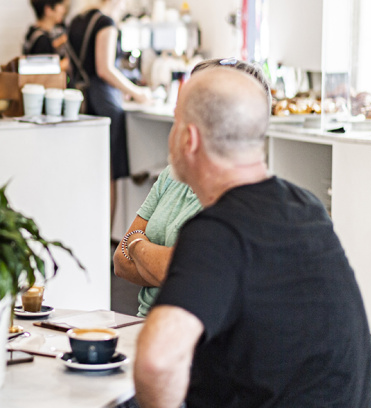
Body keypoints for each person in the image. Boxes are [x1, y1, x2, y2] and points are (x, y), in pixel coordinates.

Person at [132, 67, 371, 408]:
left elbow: (156, 362)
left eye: (175, 123)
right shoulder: (307, 207)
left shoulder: (218, 231)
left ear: (189, 139)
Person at [114, 58, 271, 317]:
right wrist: (160, 263)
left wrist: (137, 246)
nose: (174, 132)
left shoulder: (238, 196)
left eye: (181, 119)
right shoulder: (171, 175)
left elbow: (184, 272)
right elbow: (120, 263)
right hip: (145, 321)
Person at [66, 0, 151, 212]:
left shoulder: (76, 21)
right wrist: (137, 92)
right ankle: (106, 233)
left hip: (79, 100)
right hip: (102, 101)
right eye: (125, 0)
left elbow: (74, 66)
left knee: (87, 170)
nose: (124, 7)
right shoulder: (105, 23)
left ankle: (88, 227)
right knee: (107, 174)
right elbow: (104, 69)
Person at [22, 0, 69, 72]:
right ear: (48, 10)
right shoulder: (42, 40)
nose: (63, 10)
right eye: (60, 5)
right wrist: (68, 63)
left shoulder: (33, 31)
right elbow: (45, 71)